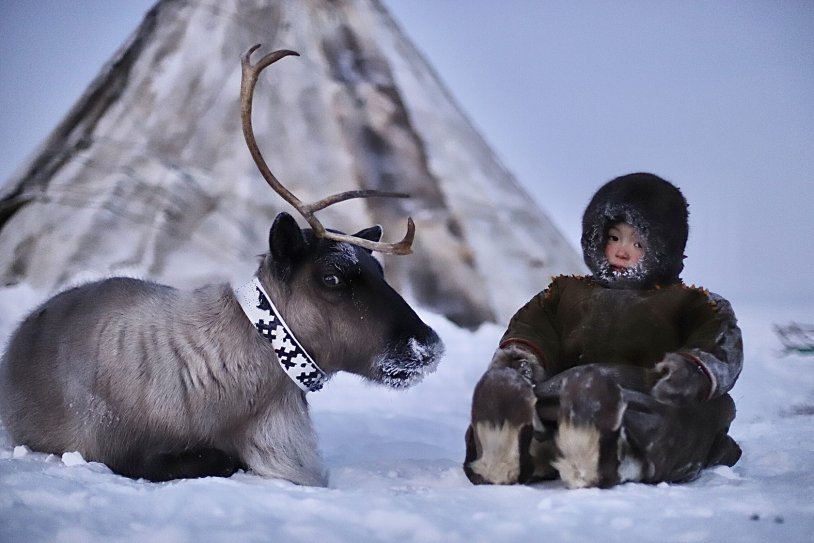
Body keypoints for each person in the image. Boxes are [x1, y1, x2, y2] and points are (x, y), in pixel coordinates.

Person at [464, 172, 743, 488]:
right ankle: (512, 446)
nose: (622, 251)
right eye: (613, 237)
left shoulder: (693, 303)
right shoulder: (564, 295)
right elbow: (533, 327)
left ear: (665, 248)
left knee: (668, 425)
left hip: (647, 399)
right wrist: (521, 363)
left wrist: (692, 372)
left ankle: (609, 453)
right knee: (543, 405)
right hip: (567, 399)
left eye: (638, 242)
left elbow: (719, 342)